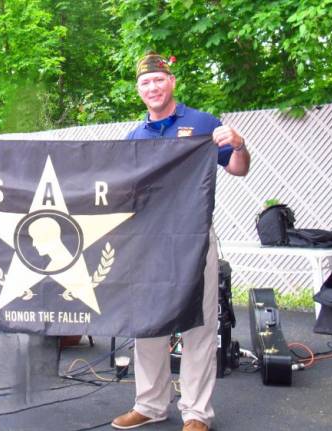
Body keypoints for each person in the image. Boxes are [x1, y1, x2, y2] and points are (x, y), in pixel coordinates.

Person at [111, 52, 250, 431]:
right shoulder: (135, 137)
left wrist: (238, 145)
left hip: (193, 239)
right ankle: (151, 404)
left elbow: (238, 169)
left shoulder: (204, 124)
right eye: (145, 83)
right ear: (138, 91)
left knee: (198, 326)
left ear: (171, 82)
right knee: (148, 324)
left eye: (159, 80)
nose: (153, 87)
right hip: (149, 243)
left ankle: (196, 413)